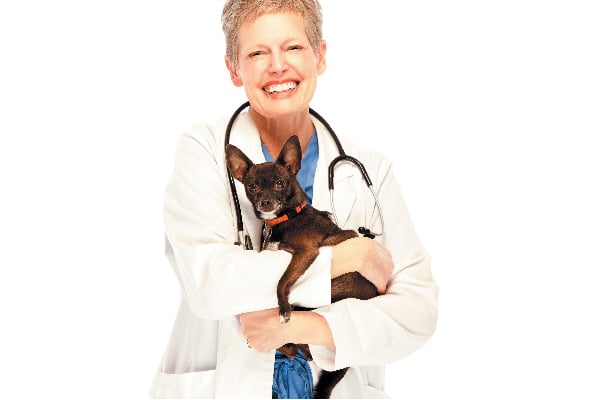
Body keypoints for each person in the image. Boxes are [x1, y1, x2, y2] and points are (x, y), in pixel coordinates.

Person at [150, 0, 438, 398]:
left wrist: (309, 327)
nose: (277, 66)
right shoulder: (203, 151)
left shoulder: (370, 171)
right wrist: (344, 259)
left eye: (294, 48)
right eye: (256, 53)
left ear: (320, 55)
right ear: (234, 69)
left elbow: (417, 314)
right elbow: (210, 286)